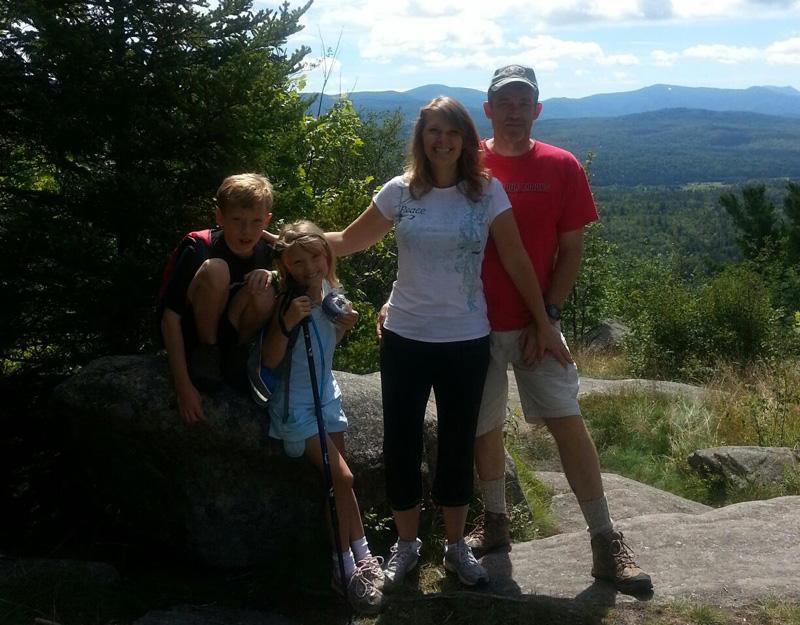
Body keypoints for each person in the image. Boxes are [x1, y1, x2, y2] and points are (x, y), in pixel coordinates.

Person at [326, 96, 569, 589]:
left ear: (464, 140)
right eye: (434, 131)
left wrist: (545, 321)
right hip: (405, 337)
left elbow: (517, 258)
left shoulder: (486, 193)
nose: (442, 140)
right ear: (422, 138)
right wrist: (293, 238)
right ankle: (408, 546)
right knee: (402, 442)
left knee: (458, 444)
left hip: (465, 338)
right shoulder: (400, 192)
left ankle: (457, 549)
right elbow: (350, 242)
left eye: (452, 132)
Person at [465, 64, 652, 594]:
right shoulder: (465, 162)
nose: (515, 111)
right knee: (483, 426)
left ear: (538, 110)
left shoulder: (562, 165)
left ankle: (605, 539)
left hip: (537, 324)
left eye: (524, 101)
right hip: (471, 322)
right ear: (488, 110)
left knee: (568, 422)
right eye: (505, 102)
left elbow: (571, 249)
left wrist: (549, 317)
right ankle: (495, 522)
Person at [259, 221, 384, 614]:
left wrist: (342, 328)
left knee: (338, 485)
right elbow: (271, 360)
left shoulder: (330, 294)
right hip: (296, 407)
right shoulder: (287, 301)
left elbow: (325, 348)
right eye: (298, 261)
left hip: (326, 397)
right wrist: (287, 322)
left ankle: (361, 559)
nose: (309, 266)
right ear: (287, 266)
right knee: (342, 477)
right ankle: (344, 569)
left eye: (315, 256)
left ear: (327, 257)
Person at [159, 173, 278, 424]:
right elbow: (170, 317)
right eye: (237, 220)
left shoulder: (266, 252)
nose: (246, 231)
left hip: (233, 337)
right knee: (217, 269)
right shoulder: (199, 249)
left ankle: (238, 356)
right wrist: (183, 387)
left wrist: (273, 273)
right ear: (220, 217)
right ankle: (208, 354)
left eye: (256, 222)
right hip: (195, 338)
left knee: (267, 284)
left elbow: (310, 257)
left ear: (267, 221)